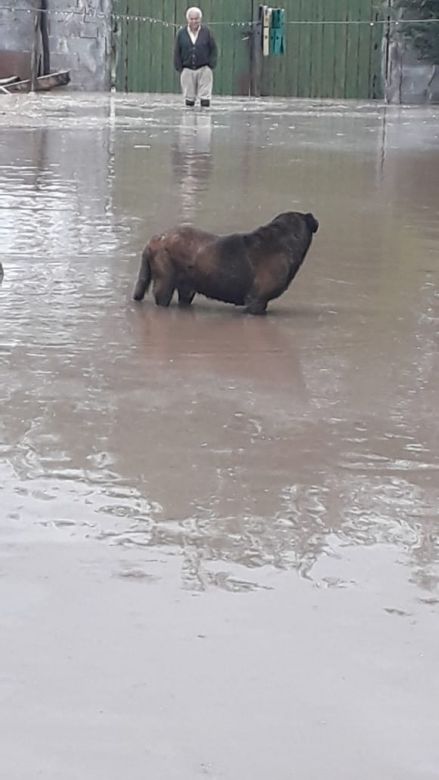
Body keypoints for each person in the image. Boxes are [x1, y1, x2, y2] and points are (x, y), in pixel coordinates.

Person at [173, 7, 218, 108]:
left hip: (204, 69)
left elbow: (213, 49)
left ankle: (204, 121)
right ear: (187, 19)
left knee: (205, 98)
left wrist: (210, 65)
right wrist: (180, 68)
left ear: (200, 19)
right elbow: (177, 51)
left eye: (196, 19)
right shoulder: (181, 33)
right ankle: (189, 121)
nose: (194, 21)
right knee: (189, 99)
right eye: (191, 19)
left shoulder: (207, 32)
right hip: (187, 69)